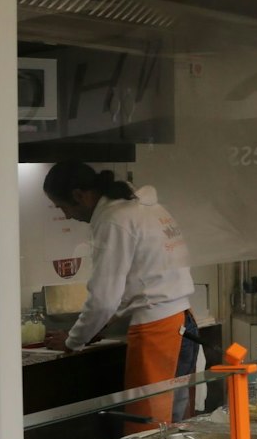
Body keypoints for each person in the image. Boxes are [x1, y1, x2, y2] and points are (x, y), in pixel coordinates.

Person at [40, 163, 198, 425]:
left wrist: (73, 341)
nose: (66, 215)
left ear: (79, 195)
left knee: (150, 430)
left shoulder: (114, 219)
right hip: (183, 323)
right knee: (175, 422)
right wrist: (97, 329)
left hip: (159, 331)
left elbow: (103, 299)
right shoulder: (143, 208)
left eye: (62, 206)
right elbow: (134, 282)